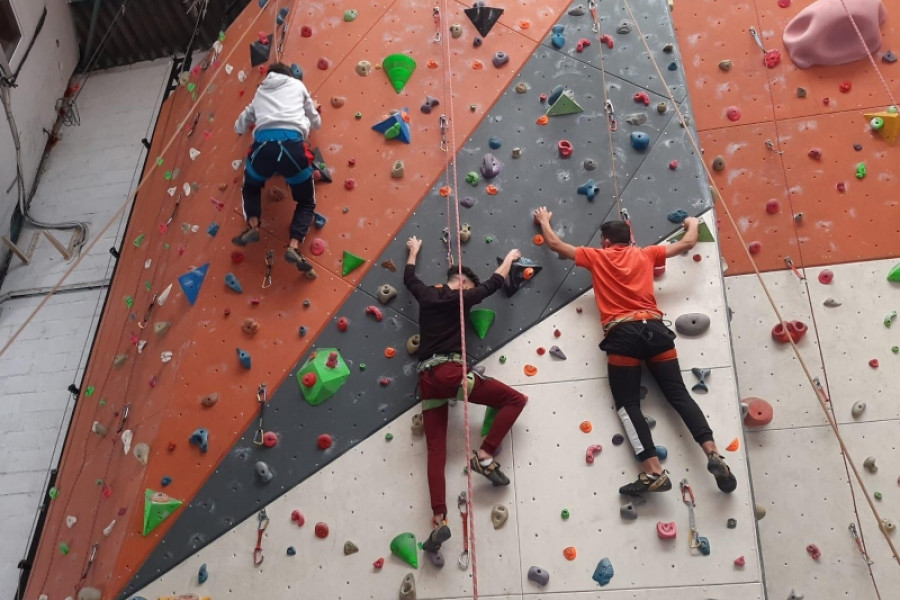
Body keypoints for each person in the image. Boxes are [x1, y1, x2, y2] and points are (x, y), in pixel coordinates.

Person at [533, 208, 736, 496]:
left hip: (623, 333)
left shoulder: (597, 256)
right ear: (629, 238)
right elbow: (687, 244)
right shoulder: (646, 253)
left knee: (629, 404)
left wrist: (543, 221)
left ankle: (653, 471)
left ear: (605, 242)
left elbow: (555, 245)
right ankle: (713, 451)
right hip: (654, 329)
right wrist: (691, 223)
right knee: (678, 394)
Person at [404, 235, 528, 552]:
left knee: (436, 452)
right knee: (515, 400)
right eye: (468, 286)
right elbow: (496, 281)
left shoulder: (426, 295)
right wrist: (510, 257)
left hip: (426, 380)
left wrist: (413, 252)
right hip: (449, 372)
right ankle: (484, 457)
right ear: (462, 284)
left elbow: (409, 279)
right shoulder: (460, 298)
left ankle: (439, 519)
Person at [232, 62, 322, 272]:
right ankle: (294, 245)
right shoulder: (298, 86)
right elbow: (316, 122)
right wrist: (312, 115)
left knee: (251, 187)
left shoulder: (260, 91)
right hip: (292, 148)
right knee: (306, 201)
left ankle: (253, 224)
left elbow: (239, 126)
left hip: (263, 148)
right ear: (289, 75)